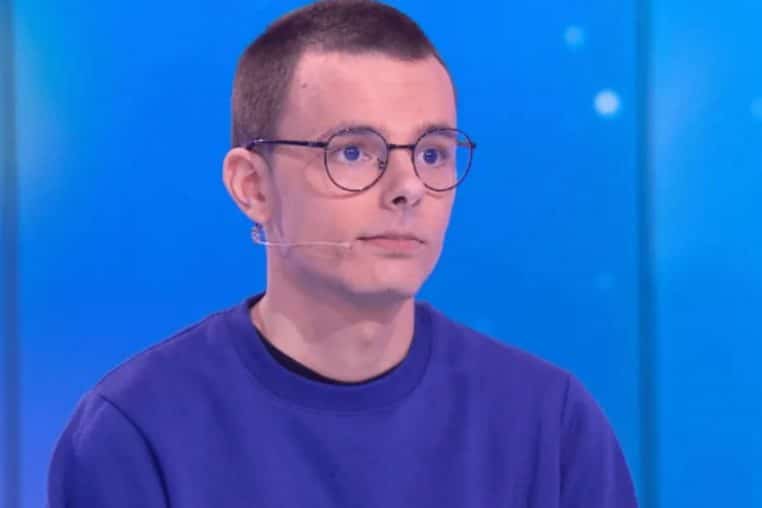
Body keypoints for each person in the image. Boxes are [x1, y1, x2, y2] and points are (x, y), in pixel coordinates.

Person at [47, 1, 638, 506]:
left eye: (432, 153)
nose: (407, 187)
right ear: (253, 187)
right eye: (353, 151)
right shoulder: (135, 433)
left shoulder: (550, 425)